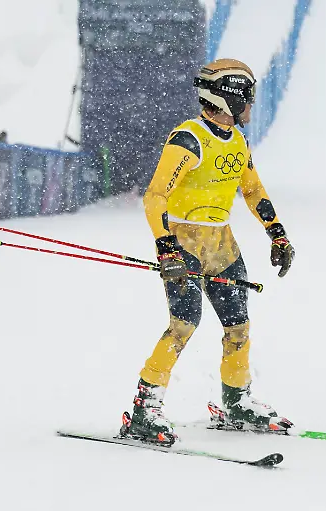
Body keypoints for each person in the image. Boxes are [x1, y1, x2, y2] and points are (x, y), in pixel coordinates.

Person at [121, 58, 296, 445]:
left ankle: (236, 402)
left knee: (238, 326)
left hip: (222, 244)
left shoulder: (238, 141)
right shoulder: (188, 139)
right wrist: (167, 248)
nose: (251, 106)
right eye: (247, 98)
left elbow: (252, 190)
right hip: (184, 241)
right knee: (183, 323)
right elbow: (155, 196)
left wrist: (277, 234)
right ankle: (144, 408)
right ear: (227, 98)